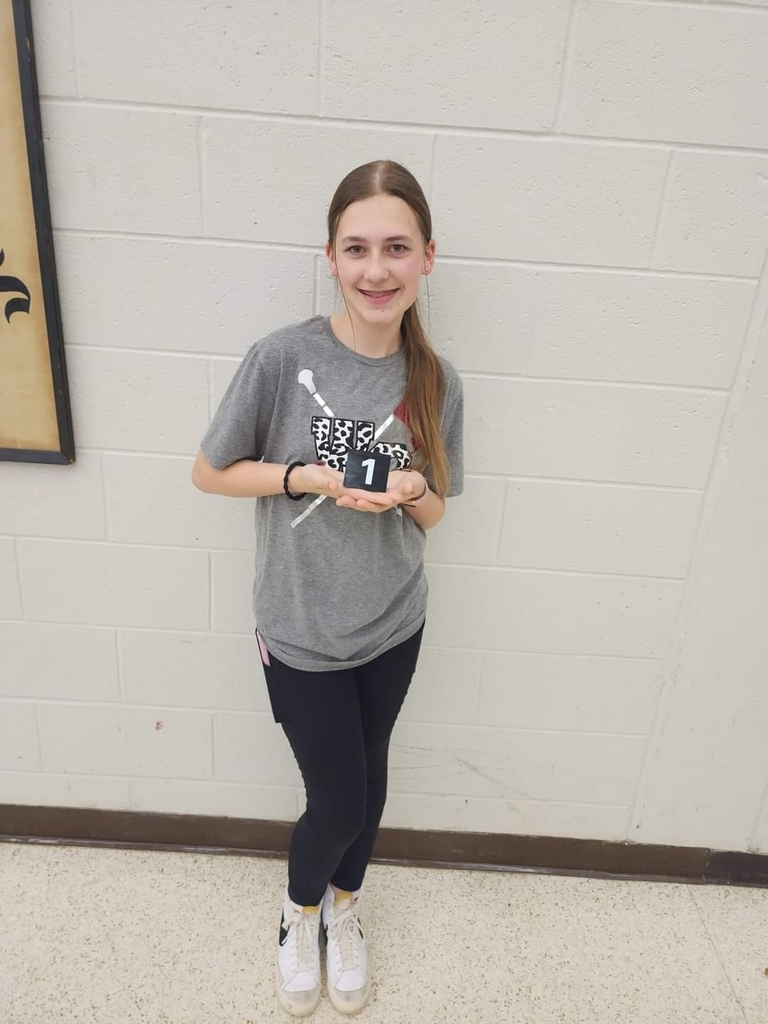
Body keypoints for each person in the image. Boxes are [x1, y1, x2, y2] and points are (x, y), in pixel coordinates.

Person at [192, 159, 464, 1017]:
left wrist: (411, 491)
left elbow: (437, 512)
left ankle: (346, 909)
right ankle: (299, 910)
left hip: (394, 624)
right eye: (357, 248)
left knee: (370, 786)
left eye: (397, 248)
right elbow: (209, 472)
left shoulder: (437, 382)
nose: (376, 269)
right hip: (302, 629)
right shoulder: (282, 359)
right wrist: (302, 477)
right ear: (331, 257)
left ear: (427, 257)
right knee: (338, 799)